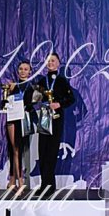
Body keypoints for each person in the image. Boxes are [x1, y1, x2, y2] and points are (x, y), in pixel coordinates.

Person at [33, 53, 75, 198]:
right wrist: (34, 97)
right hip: (44, 116)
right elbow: (35, 99)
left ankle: (50, 186)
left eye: (53, 61)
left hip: (56, 117)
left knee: (51, 151)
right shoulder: (41, 80)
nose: (50, 63)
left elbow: (71, 99)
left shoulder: (62, 81)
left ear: (58, 63)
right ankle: (44, 185)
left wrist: (59, 104)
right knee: (42, 151)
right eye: (48, 61)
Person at [1, 60, 38, 198]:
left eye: (26, 69)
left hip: (24, 120)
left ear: (30, 72)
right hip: (12, 121)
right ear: (17, 71)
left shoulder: (31, 87)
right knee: (15, 150)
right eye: (21, 69)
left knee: (18, 150)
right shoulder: (12, 86)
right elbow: (5, 104)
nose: (23, 71)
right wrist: (7, 95)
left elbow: (32, 105)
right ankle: (19, 181)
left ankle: (13, 180)